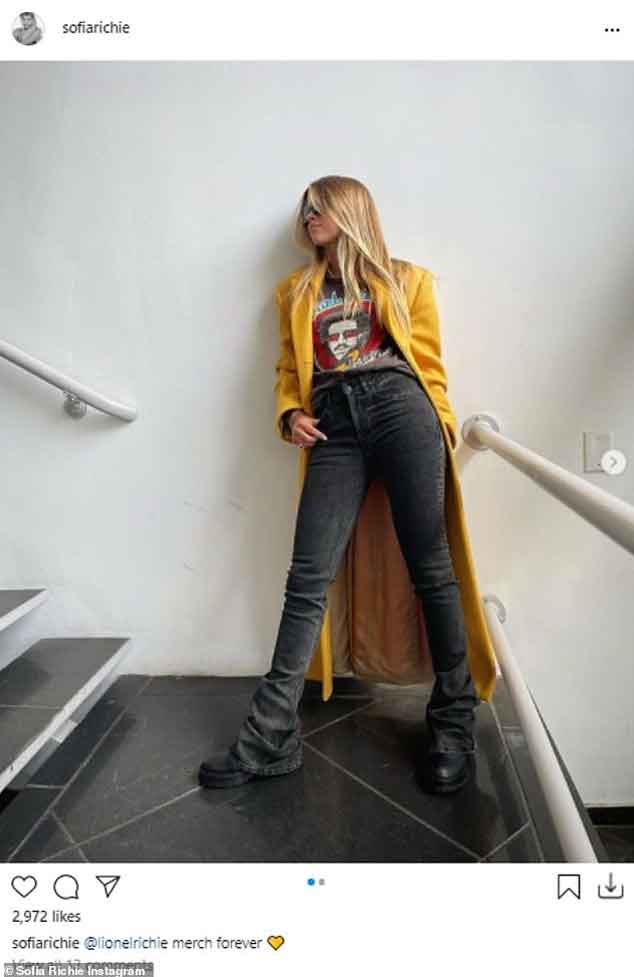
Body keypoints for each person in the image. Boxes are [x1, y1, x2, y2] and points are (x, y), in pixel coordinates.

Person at [199, 174, 488, 795]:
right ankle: (269, 736)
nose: (308, 216)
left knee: (431, 569)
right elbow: (288, 368)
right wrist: (289, 414)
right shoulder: (295, 291)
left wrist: (437, 427)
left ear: (350, 209)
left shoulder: (407, 279)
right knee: (307, 577)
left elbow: (430, 367)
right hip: (333, 423)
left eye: (319, 206)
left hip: (400, 408)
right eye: (305, 209)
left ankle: (453, 725)